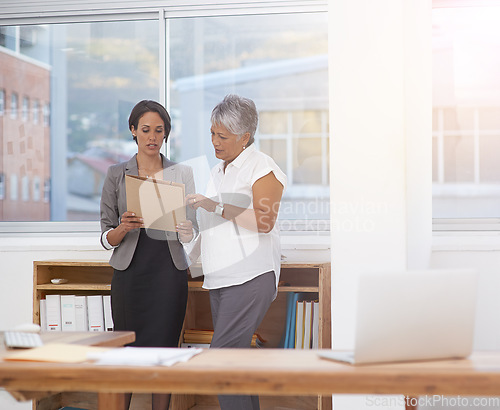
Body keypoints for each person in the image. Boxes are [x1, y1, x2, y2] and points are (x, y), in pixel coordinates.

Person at [185, 94, 286, 410]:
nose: (215, 141)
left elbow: (264, 220)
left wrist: (213, 205)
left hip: (250, 276)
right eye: (212, 133)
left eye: (223, 136)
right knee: (235, 363)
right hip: (219, 280)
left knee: (223, 361)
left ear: (245, 136)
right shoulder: (218, 172)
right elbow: (215, 225)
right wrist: (188, 238)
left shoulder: (262, 167)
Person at [99, 99, 197, 410]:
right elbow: (105, 236)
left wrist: (186, 228)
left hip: (168, 273)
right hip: (130, 274)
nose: (152, 137)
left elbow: (193, 229)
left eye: (159, 130)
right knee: (127, 353)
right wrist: (123, 228)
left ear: (166, 133)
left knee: (164, 353)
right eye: (145, 130)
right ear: (133, 131)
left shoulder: (181, 172)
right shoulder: (116, 174)